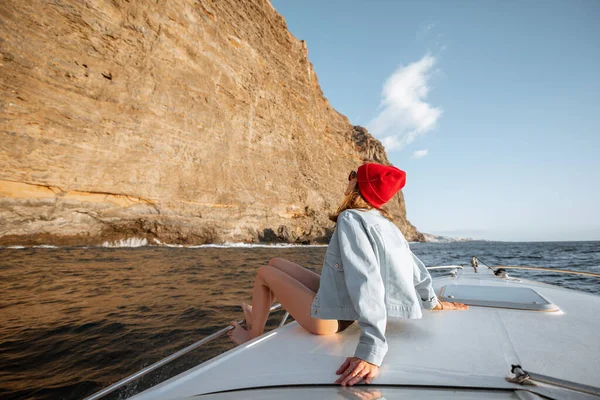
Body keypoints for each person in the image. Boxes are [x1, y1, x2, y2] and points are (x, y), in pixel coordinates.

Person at [227, 162, 468, 386]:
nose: (348, 179)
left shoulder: (350, 218)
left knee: (264, 273)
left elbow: (365, 278)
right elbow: (417, 269)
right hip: (347, 309)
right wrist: (433, 303)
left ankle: (252, 335)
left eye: (352, 176)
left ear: (358, 184)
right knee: (275, 261)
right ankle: (258, 315)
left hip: (330, 322)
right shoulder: (387, 225)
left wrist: (371, 350)